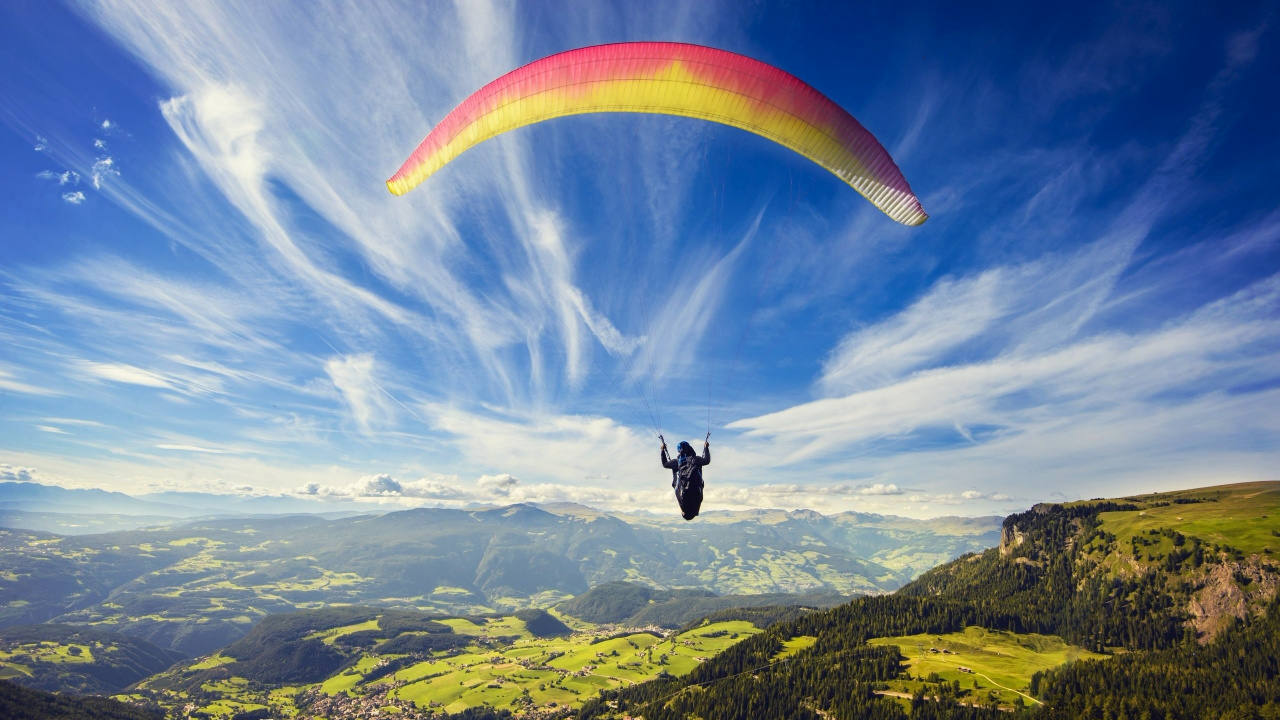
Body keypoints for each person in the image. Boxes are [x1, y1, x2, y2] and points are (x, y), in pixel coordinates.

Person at [660, 434, 710, 521]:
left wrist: (706, 448)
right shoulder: (694, 460)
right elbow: (665, 464)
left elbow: (706, 460)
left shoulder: (679, 462)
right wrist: (662, 450)